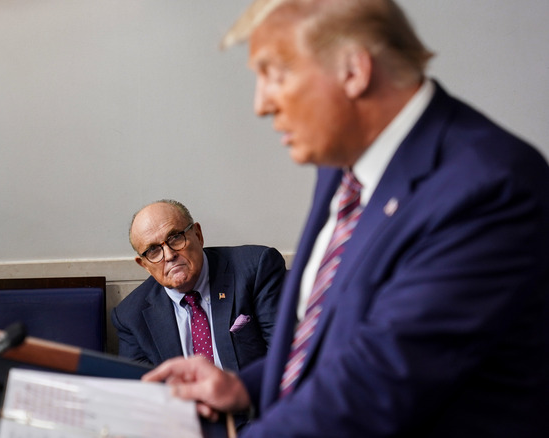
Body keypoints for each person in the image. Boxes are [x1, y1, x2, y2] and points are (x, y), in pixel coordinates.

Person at [143, 1, 549, 436]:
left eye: (274, 74)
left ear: (353, 71)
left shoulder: (488, 186)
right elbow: (328, 337)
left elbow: (376, 383)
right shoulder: (341, 165)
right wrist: (245, 386)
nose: (261, 104)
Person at [112, 199, 286, 371]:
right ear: (144, 265)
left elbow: (283, 358)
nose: (169, 255)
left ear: (198, 235)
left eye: (175, 238)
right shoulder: (130, 316)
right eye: (153, 250)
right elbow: (141, 389)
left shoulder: (256, 269)